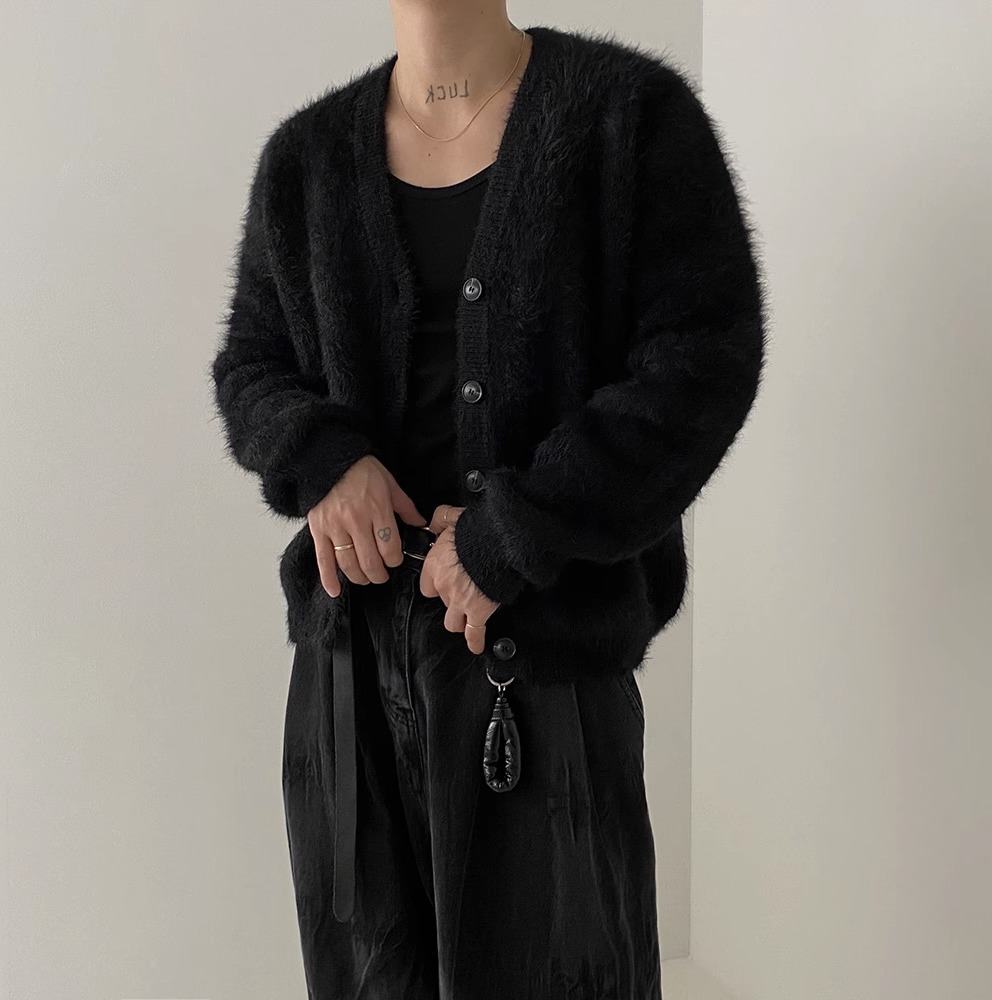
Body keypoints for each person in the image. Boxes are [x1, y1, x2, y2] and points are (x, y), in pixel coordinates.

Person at [211, 3, 766, 997]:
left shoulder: (626, 118)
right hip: (348, 666)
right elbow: (252, 364)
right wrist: (322, 458)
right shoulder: (306, 160)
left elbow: (698, 362)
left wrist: (519, 528)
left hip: (541, 663)